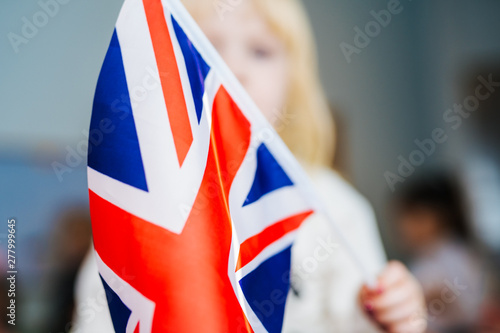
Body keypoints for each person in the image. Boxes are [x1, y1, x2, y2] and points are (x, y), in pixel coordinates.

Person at [73, 0, 427, 332]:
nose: (235, 70)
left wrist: (386, 306)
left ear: (294, 79)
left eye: (261, 51)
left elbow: (358, 308)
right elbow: (103, 310)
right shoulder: (146, 202)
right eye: (209, 49)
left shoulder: (333, 204)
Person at [392, 170, 485, 332]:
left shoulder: (449, 257)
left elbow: (463, 306)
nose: (402, 226)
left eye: (413, 217)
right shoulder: (429, 255)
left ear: (436, 218)